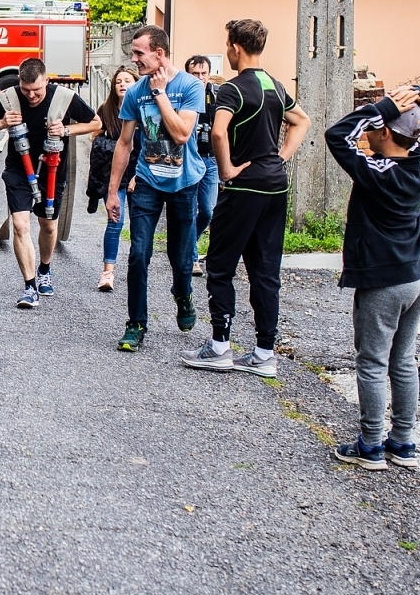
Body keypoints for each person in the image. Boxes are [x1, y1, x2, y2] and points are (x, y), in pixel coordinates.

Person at [180, 20, 310, 378]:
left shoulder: (232, 90)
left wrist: (226, 171)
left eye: (227, 45)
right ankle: (264, 352)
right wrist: (282, 156)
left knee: (220, 265)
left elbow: (219, 131)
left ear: (236, 47)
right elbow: (302, 121)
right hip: (276, 185)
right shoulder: (275, 85)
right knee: (265, 271)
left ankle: (220, 346)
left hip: (244, 187)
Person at [326, 86, 420, 470]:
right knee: (403, 360)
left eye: (377, 125)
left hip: (384, 281)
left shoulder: (377, 172)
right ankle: (403, 441)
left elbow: (337, 135)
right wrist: (414, 105)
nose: (370, 129)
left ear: (385, 132)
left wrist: (384, 106)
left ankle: (371, 444)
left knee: (372, 361)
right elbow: (416, 141)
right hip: (418, 277)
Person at [106, 26, 206, 351]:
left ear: (159, 53)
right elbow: (124, 143)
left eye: (138, 53)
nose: (133, 59)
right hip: (147, 181)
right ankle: (136, 324)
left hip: (184, 184)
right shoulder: (135, 92)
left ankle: (183, 293)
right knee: (138, 254)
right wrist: (112, 192)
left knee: (180, 258)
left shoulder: (190, 86)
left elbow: (181, 135)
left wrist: (161, 95)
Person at [0, 58, 99, 308]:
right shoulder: (9, 97)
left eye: (37, 90)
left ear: (47, 81)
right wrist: (1, 123)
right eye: (26, 89)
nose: (31, 95)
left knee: (48, 226)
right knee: (21, 226)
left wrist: (66, 131)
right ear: (19, 81)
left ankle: (45, 269)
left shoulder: (64, 97)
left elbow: (96, 122)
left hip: (52, 171)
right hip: (18, 171)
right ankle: (29, 286)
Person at [87, 66, 138, 293]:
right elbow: (94, 135)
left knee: (140, 226)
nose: (122, 84)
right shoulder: (106, 109)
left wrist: (139, 174)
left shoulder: (143, 107)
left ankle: (138, 269)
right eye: (118, 81)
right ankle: (108, 272)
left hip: (139, 173)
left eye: (127, 80)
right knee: (115, 222)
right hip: (115, 174)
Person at [184, 55, 219, 275]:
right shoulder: (182, 94)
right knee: (189, 209)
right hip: (188, 158)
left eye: (203, 73)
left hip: (211, 159)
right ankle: (192, 257)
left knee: (207, 210)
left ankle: (187, 244)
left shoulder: (217, 95)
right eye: (194, 73)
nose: (199, 78)